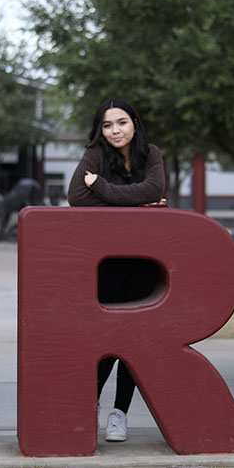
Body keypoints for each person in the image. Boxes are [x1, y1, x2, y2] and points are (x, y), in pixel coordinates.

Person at [67, 97, 166, 443]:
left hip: (144, 261)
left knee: (134, 341)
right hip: (107, 263)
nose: (115, 131)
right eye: (107, 125)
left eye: (121, 122)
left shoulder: (150, 154)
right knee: (108, 340)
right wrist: (137, 201)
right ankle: (86, 404)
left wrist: (104, 188)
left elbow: (155, 189)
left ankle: (119, 413)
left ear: (134, 123)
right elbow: (77, 197)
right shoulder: (95, 154)